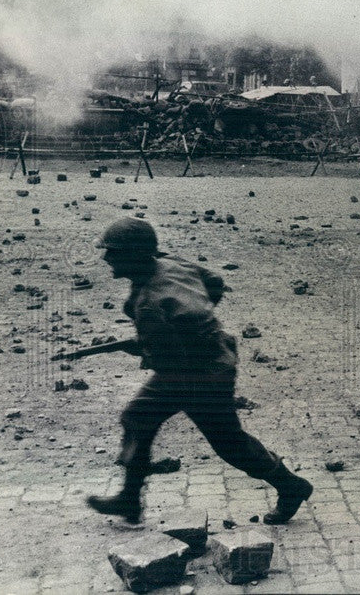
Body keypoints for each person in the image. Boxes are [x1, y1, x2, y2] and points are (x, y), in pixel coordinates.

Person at [87, 218, 313, 524]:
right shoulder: (169, 264)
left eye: (112, 252)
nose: (106, 258)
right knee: (140, 418)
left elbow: (169, 360)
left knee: (228, 444)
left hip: (198, 375)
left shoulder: (151, 304)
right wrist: (196, 320)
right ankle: (129, 499)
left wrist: (146, 346)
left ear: (134, 255)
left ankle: (292, 486)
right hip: (207, 360)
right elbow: (215, 282)